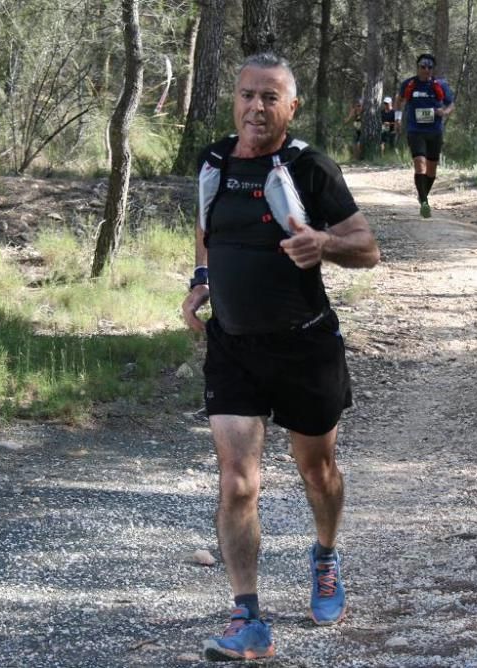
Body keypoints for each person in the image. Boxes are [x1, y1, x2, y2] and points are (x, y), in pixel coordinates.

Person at [181, 52, 380, 662]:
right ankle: (249, 618)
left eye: (271, 97)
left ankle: (324, 554)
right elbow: (209, 230)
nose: (256, 108)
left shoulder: (310, 167)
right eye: (247, 95)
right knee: (238, 483)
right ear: (234, 100)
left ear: (290, 107)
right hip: (233, 347)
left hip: (304, 348)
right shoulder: (213, 160)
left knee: (316, 472)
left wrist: (324, 243)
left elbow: (367, 248)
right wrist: (200, 280)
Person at [397, 53, 455, 218]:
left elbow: (451, 104)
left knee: (431, 171)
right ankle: (424, 202)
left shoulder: (440, 85)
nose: (426, 70)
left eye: (429, 67)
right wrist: (398, 119)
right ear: (418, 67)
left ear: (432, 69)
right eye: (423, 66)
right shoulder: (409, 84)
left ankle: (423, 195)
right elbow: (399, 100)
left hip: (435, 131)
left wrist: (443, 112)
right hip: (415, 131)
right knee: (420, 164)